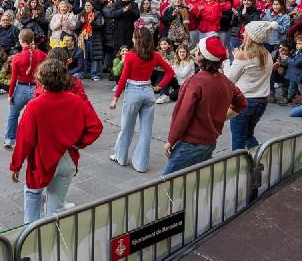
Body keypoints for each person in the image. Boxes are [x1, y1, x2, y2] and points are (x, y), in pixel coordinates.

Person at [10, 59, 103, 223]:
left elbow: (24, 140)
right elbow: (96, 127)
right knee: (56, 210)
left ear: (41, 80)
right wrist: (79, 143)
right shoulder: (76, 100)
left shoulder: (35, 106)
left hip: (42, 161)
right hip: (67, 158)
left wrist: (16, 165)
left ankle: (31, 234)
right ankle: (53, 236)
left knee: (33, 194)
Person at [162, 37, 247, 175]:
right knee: (197, 178)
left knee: (167, 182)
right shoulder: (225, 81)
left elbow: (182, 115)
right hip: (209, 142)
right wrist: (220, 117)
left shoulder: (194, 82)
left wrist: (171, 140)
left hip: (190, 143)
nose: (194, 52)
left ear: (202, 56)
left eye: (197, 50)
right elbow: (241, 103)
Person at [109, 22, 174, 172]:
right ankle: (141, 165)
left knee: (127, 127)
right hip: (148, 91)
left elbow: (123, 78)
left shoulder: (130, 56)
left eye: (133, 37)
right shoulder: (155, 55)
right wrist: (158, 87)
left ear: (137, 39)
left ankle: (121, 157)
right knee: (146, 131)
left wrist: (116, 97)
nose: (132, 39)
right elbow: (170, 72)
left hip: (133, 91)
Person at [226, 21, 275, 151]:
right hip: (262, 101)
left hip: (244, 101)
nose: (243, 34)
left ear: (251, 37)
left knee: (238, 139)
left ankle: (238, 162)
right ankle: (258, 158)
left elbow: (229, 79)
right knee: (248, 135)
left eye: (246, 32)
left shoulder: (243, 55)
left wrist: (228, 60)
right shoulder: (267, 54)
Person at [4, 29, 47, 148]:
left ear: (21, 40)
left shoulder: (17, 57)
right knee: (38, 116)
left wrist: (10, 95)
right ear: (32, 39)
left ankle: (10, 139)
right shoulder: (41, 54)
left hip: (21, 88)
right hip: (36, 88)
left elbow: (13, 78)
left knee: (13, 114)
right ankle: (38, 139)